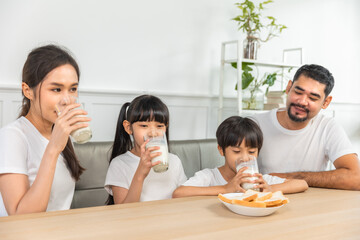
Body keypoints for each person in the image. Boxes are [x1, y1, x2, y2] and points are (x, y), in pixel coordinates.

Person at [0, 45, 90, 216]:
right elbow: (20, 217)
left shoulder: (61, 133)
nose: (67, 100)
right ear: (28, 91)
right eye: (56, 89)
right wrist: (53, 149)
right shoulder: (12, 137)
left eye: (73, 89)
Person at [251, 64, 360, 190]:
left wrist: (285, 178)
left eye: (313, 98)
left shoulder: (328, 127)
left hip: (311, 205)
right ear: (288, 88)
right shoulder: (255, 124)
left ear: (326, 102)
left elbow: (356, 178)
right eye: (298, 92)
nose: (302, 101)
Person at [172, 116, 308, 198]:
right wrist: (225, 189)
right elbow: (179, 193)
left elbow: (301, 184)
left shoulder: (257, 180)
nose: (245, 158)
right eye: (237, 151)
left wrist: (270, 189)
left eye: (252, 152)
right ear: (221, 150)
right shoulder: (210, 177)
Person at [104, 95, 187, 204]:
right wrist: (140, 173)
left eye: (159, 126)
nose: (153, 133)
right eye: (144, 125)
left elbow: (184, 198)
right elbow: (123, 212)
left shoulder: (174, 161)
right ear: (128, 128)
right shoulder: (119, 164)